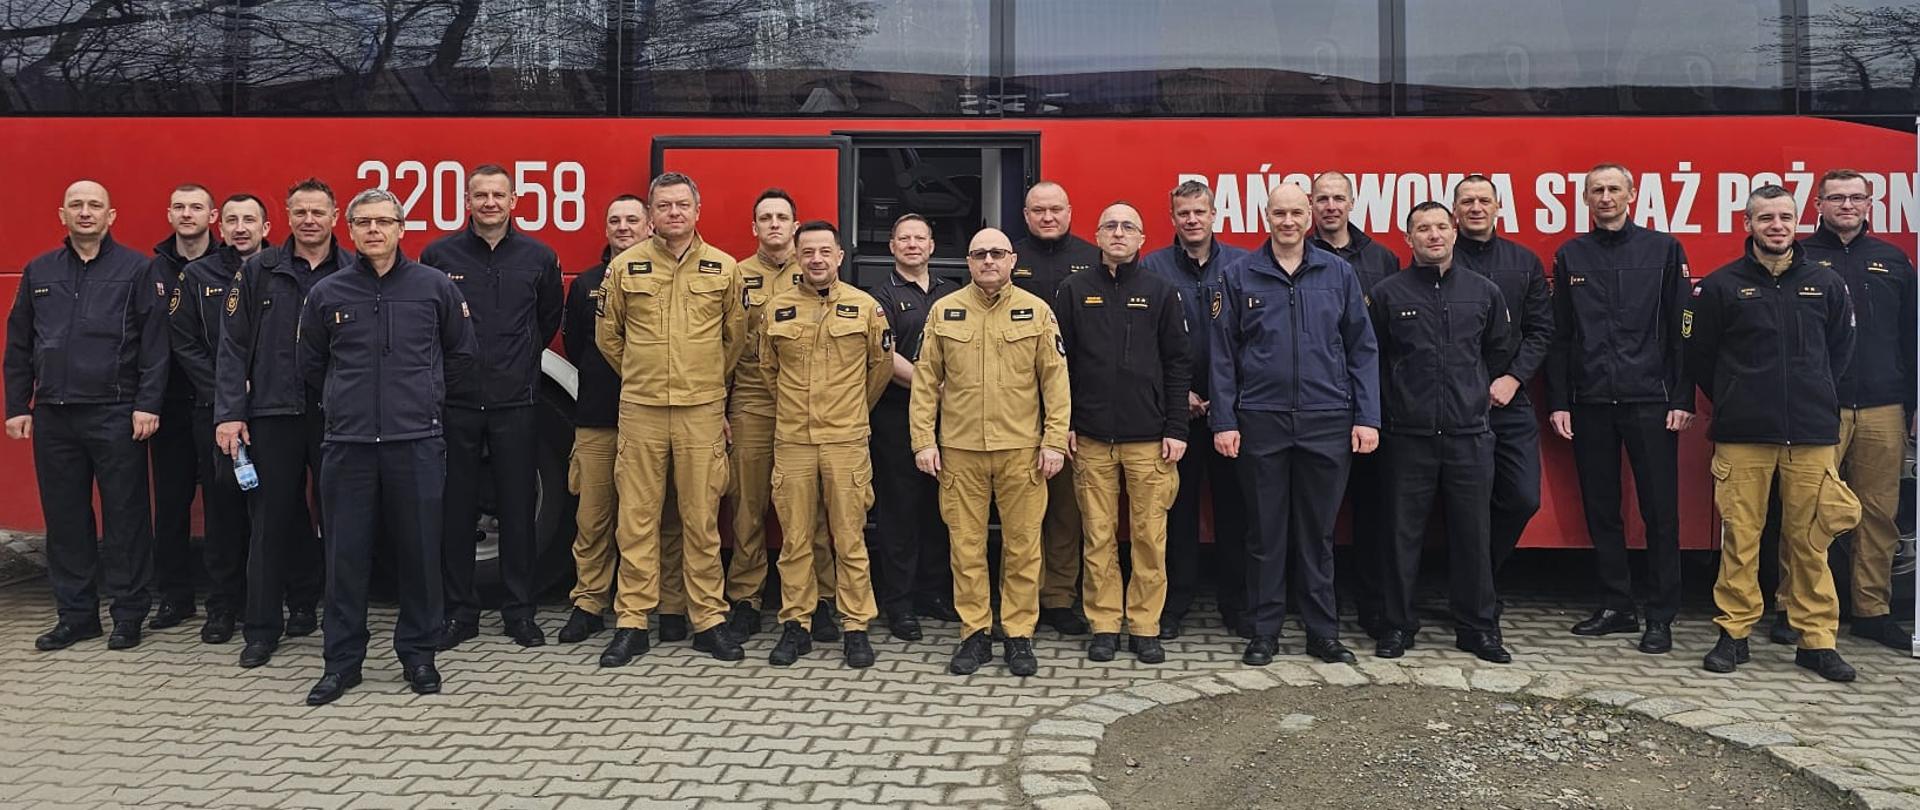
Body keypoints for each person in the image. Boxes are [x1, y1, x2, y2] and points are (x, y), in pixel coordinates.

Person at [298, 187, 476, 705]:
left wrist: (426, 398)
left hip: (415, 443)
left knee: (420, 554)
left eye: (384, 221)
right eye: (363, 222)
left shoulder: (435, 288)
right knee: (345, 556)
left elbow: (461, 355)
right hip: (348, 445)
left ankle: (419, 655)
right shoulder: (327, 294)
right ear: (348, 230)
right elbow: (309, 363)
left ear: (402, 228)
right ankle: (342, 663)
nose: (374, 230)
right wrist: (344, 401)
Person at [1684, 184, 1860, 682]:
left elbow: (1840, 351)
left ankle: (1816, 641)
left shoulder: (1824, 284)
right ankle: (1734, 634)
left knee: (1811, 540)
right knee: (1741, 538)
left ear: (1797, 222)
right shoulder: (1721, 286)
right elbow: (1701, 358)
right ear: (1749, 225)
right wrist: (1740, 397)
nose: (1776, 225)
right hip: (1743, 433)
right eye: (1766, 218)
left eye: (1785, 216)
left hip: (1810, 433)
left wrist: (1814, 392)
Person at [1210, 182, 1379, 667]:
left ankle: (1322, 632)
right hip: (1260, 421)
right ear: (1267, 217)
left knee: (1317, 534)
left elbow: (1361, 348)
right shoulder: (1241, 274)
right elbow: (1223, 355)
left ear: (1309, 218)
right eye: (1279, 213)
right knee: (1264, 533)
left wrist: (1366, 416)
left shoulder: (1339, 272)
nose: (1288, 221)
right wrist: (1224, 419)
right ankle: (1263, 632)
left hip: (1327, 421)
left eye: (1295, 213)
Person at [5, 180, 168, 652]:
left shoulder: (138, 268)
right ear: (62, 215)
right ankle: (76, 616)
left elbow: (156, 346)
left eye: (95, 205)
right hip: (54, 414)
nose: (85, 212)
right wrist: (18, 404)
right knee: (66, 520)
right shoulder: (39, 270)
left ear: (111, 216)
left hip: (116, 411)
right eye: (76, 205)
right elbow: (19, 345)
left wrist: (147, 403)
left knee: (126, 517)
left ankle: (128, 614)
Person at [596, 172, 747, 663]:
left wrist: (702, 383)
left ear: (697, 211)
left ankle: (708, 619)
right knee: (636, 519)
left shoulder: (724, 269)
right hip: (640, 410)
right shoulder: (626, 266)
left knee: (701, 520)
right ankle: (633, 621)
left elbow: (734, 341)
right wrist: (645, 375)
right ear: (652, 214)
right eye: (664, 206)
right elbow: (609, 337)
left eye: (682, 205)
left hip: (700, 412)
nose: (674, 213)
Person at [1547, 163, 1694, 655]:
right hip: (1590, 402)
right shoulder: (1571, 255)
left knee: (1660, 512)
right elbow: (1561, 337)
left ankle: (1660, 615)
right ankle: (1616, 605)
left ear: (1632, 195)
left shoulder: (1663, 249)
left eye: (1613, 189)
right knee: (1601, 508)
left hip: (1651, 401)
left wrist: (1682, 396)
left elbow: (1682, 330)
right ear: (1585, 199)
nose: (1605, 197)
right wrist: (1560, 400)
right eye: (1596, 190)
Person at [912, 227, 1071, 677]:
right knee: (966, 547)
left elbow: (1055, 384)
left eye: (997, 253)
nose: (988, 261)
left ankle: (1018, 634)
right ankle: (975, 633)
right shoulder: (944, 312)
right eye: (979, 253)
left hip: (1022, 450)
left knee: (1022, 547)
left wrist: (1054, 440)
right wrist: (924, 441)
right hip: (960, 451)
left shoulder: (1036, 311)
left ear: (1011, 259)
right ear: (967, 260)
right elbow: (925, 384)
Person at [425, 164, 564, 651]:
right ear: (467, 202)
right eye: (480, 195)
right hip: (456, 403)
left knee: (518, 508)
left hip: (516, 402)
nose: (489, 203)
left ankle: (519, 611)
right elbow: (431, 323)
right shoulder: (439, 255)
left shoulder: (539, 256)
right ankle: (459, 613)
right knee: (455, 511)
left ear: (513, 201)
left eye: (497, 195)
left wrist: (521, 363)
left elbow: (547, 319)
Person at [216, 178, 353, 669]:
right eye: (300, 212)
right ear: (288, 217)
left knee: (341, 523)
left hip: (338, 417)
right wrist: (229, 413)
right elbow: (232, 348)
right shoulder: (259, 271)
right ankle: (260, 630)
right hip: (272, 414)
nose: (310, 220)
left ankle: (333, 624)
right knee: (269, 524)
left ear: (336, 217)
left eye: (319, 211)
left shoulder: (354, 270)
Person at [1368, 202, 1513, 663]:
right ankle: (1396, 626)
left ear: (1453, 233)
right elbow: (1372, 359)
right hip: (1406, 437)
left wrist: (1470, 399)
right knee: (1398, 536)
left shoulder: (1484, 292)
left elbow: (1497, 352)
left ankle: (1478, 628)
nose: (1433, 236)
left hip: (1469, 435)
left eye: (1439, 227)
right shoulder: (1388, 294)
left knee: (1473, 535)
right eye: (1421, 229)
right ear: (1407, 239)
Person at [1053, 202, 1189, 664]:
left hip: (1150, 440)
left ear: (1142, 237)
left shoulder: (1162, 291)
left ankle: (1146, 625)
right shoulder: (1074, 290)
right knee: (1098, 536)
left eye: (1127, 226)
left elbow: (1177, 365)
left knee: (1151, 538)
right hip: (1090, 439)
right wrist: (1065, 424)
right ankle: (1105, 623)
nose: (1118, 233)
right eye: (1109, 225)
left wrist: (1176, 427)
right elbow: (1059, 366)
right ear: (1096, 234)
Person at [559, 194, 692, 657]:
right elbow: (580, 344)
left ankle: (672, 607)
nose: (623, 227)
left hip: (663, 416)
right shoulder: (588, 284)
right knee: (594, 516)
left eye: (632, 219)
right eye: (613, 220)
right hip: (600, 417)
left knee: (668, 516)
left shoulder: (670, 279)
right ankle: (590, 604)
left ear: (650, 225)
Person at [1793, 169, 1915, 651]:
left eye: (1856, 198)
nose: (1847, 205)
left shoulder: (1894, 260)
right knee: (1806, 513)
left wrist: (1916, 403)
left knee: (1878, 514)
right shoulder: (1802, 258)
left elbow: (1913, 336)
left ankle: (1872, 611)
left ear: (1870, 204)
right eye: (1837, 198)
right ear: (1818, 204)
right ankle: (1794, 609)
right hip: (1821, 405)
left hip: (1885, 404)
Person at [761, 221, 892, 668]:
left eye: (825, 251)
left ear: (840, 256)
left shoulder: (866, 308)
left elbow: (879, 370)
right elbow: (768, 371)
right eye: (808, 252)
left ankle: (855, 625)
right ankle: (796, 624)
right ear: (797, 257)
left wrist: (850, 412)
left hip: (845, 440)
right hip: (794, 440)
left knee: (849, 538)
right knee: (795, 539)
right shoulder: (777, 309)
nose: (816, 259)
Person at [722, 188, 836, 642]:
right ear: (754, 228)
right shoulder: (734, 275)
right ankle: (746, 601)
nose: (774, 224)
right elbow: (721, 345)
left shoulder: (814, 271)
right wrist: (719, 406)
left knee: (814, 512)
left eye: (782, 217)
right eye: (765, 217)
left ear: (795, 225)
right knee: (747, 508)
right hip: (751, 401)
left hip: (805, 409)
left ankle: (822, 600)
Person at [1140, 180, 1250, 641]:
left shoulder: (1245, 265)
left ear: (1213, 214)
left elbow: (1253, 340)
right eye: (1183, 213)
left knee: (1237, 513)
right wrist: (1178, 391)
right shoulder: (1153, 268)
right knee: (1176, 514)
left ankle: (1238, 606)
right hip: (1175, 414)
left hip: (1233, 414)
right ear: (1173, 218)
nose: (1191, 220)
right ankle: (1174, 604)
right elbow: (1144, 342)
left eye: (1199, 212)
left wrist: (1226, 399)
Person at [168, 192, 270, 645]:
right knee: (224, 508)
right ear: (220, 227)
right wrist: (226, 390)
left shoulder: (279, 270)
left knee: (274, 508)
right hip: (217, 412)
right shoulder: (197, 275)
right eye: (233, 220)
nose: (241, 227)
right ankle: (223, 606)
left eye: (250, 219)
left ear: (267, 227)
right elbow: (184, 342)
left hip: (273, 411)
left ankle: (271, 602)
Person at [1453, 175, 1553, 599]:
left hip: (1509, 401)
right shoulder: (1438, 258)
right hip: (1457, 403)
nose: (1475, 208)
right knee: (1464, 507)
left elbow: (1541, 331)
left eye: (1483, 201)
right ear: (1455, 212)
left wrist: (1513, 378)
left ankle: (1481, 579)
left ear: (1498, 208)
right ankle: (1477, 596)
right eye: (1467, 202)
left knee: (1522, 497)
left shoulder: (1524, 262)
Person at [865, 213, 961, 640]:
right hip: (896, 417)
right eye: (903, 239)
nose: (912, 245)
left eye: (919, 238)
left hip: (947, 420)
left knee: (937, 510)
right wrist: (931, 385)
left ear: (932, 245)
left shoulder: (951, 293)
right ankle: (899, 603)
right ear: (892, 247)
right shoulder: (879, 296)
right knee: (899, 513)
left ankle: (933, 592)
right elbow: (885, 354)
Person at [1011, 181, 1099, 636]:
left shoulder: (1091, 259)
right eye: (1038, 210)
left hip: (1071, 402)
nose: (1047, 217)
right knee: (1021, 511)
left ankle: (1059, 597)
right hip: (1015, 405)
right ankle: (1018, 599)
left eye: (1055, 210)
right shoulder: (1008, 259)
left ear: (1070, 212)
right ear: (1025, 215)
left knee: (1066, 508)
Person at [148, 184, 215, 634]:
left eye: (196, 207)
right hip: (170, 404)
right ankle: (175, 597)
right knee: (171, 504)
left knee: (226, 503)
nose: (187, 215)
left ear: (212, 216)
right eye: (179, 207)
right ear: (169, 215)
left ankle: (231, 598)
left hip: (217, 403)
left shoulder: (231, 268)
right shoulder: (150, 269)